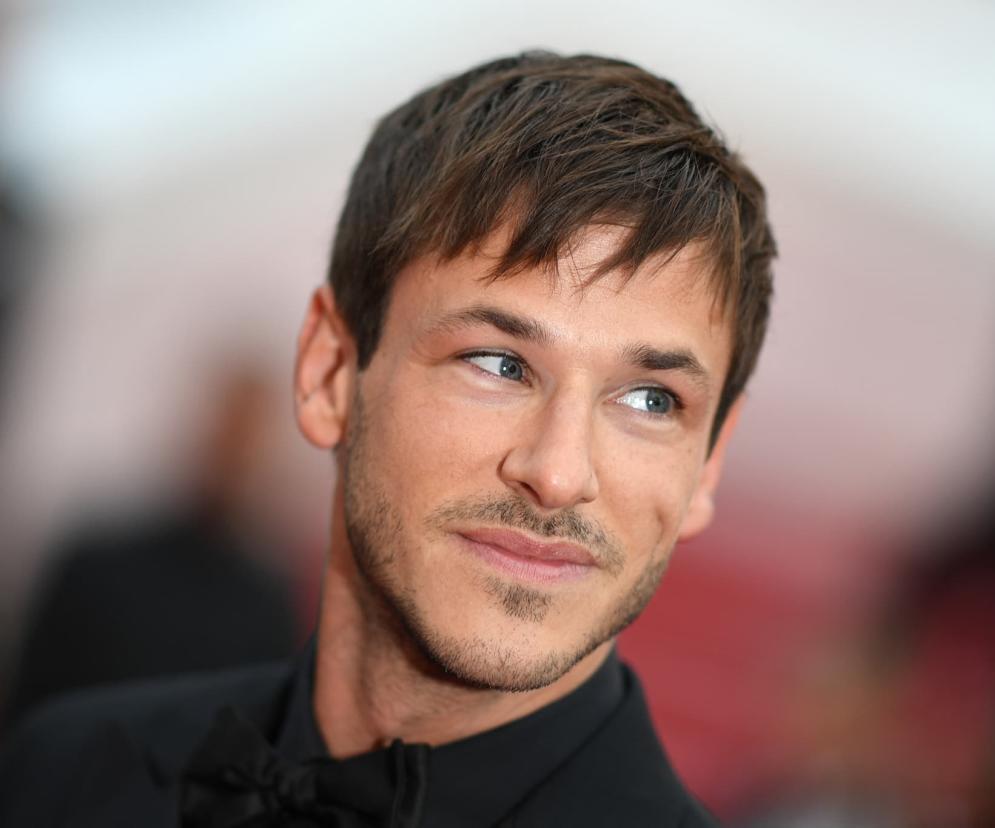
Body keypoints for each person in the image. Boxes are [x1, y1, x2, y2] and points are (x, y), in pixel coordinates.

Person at [0, 50, 776, 827]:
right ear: (330, 372)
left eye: (650, 399)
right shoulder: (65, 773)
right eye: (499, 363)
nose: (559, 473)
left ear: (709, 462)